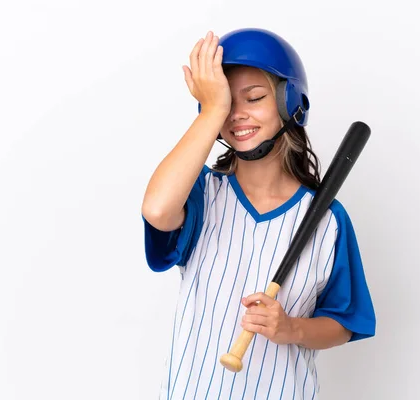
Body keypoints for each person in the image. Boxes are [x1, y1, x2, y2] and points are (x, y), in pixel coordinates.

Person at [141, 28, 376, 400]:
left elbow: (344, 323)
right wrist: (211, 110)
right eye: (225, 103)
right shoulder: (201, 193)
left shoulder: (327, 219)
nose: (237, 115)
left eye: (253, 98)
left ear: (289, 101)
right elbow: (156, 210)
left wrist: (290, 329)